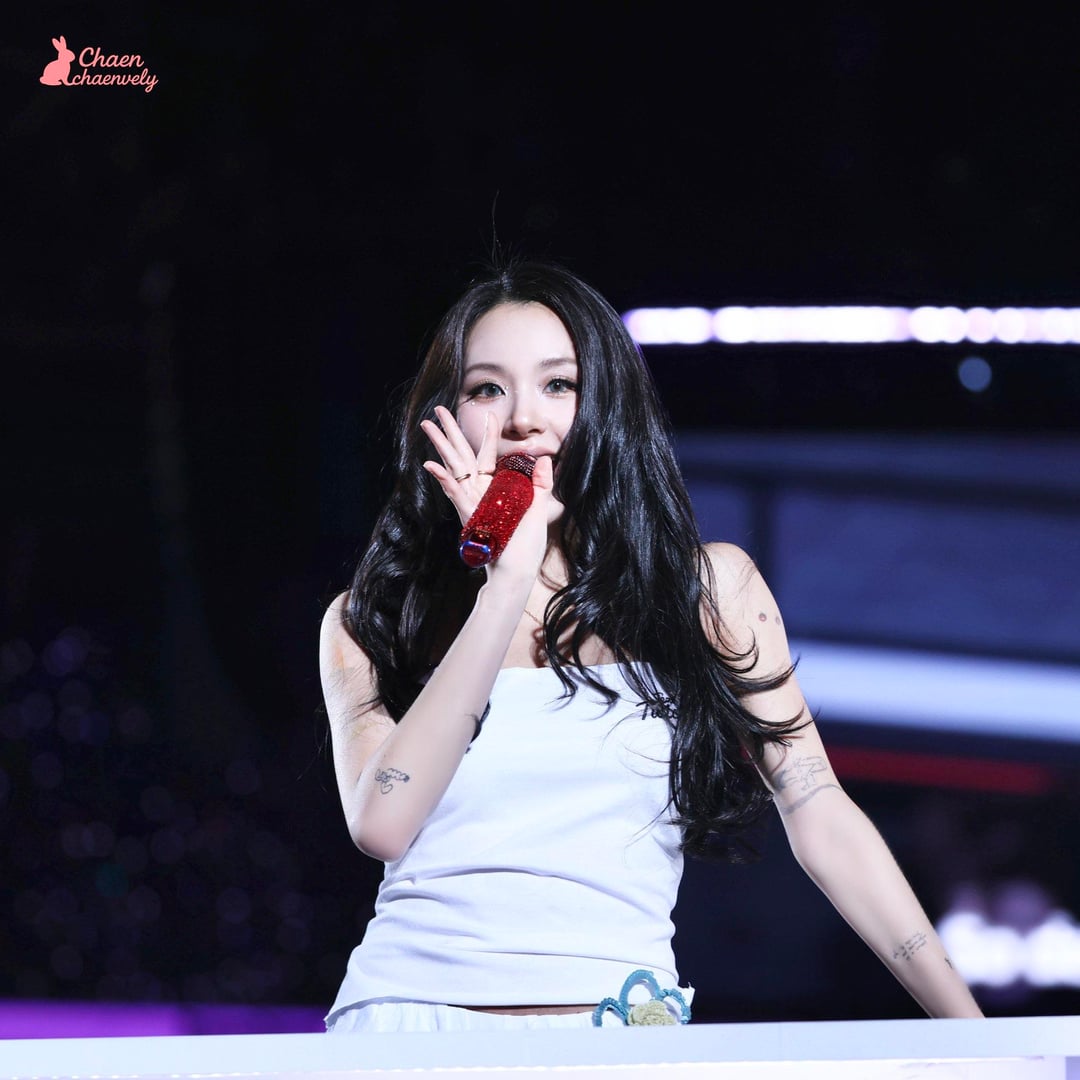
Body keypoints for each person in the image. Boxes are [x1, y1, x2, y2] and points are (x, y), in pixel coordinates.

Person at [319, 259, 983, 1032]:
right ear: (446, 417)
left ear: (607, 405)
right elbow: (382, 823)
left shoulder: (706, 592)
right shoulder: (374, 617)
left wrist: (974, 1032)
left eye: (559, 384)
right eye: (487, 389)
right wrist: (505, 583)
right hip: (410, 1030)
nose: (524, 418)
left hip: (616, 1032)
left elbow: (819, 812)